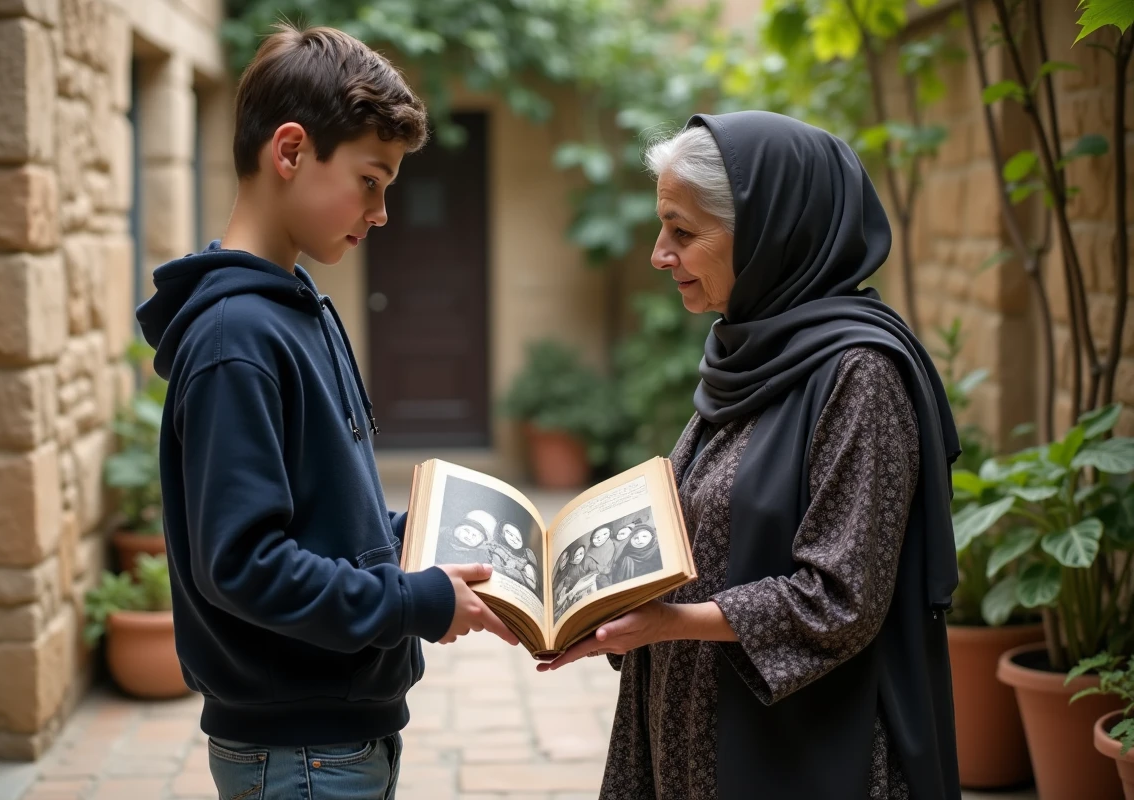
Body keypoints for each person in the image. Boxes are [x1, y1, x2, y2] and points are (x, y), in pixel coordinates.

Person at [135, 23, 517, 800]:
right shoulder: (234, 338)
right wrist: (415, 601)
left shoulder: (297, 307)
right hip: (299, 753)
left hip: (338, 736)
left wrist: (422, 536)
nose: (380, 213)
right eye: (371, 180)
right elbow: (243, 565)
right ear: (290, 151)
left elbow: (316, 510)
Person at [538, 111, 961, 800]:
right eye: (661, 226)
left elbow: (839, 598)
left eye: (683, 230)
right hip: (692, 731)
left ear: (770, 236)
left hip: (795, 753)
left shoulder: (859, 375)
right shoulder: (748, 353)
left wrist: (668, 622)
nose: (658, 253)